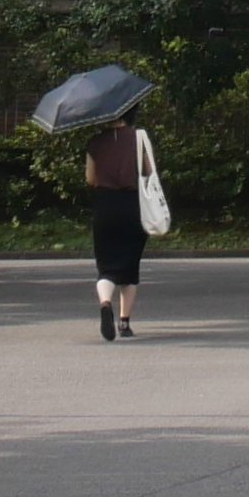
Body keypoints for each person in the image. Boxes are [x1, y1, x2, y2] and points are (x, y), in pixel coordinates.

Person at [84, 110, 151, 343]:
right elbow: (148, 172)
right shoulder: (138, 138)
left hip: (105, 206)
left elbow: (90, 179)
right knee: (129, 268)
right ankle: (124, 323)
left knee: (106, 267)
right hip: (133, 206)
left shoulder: (94, 142)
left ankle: (105, 303)